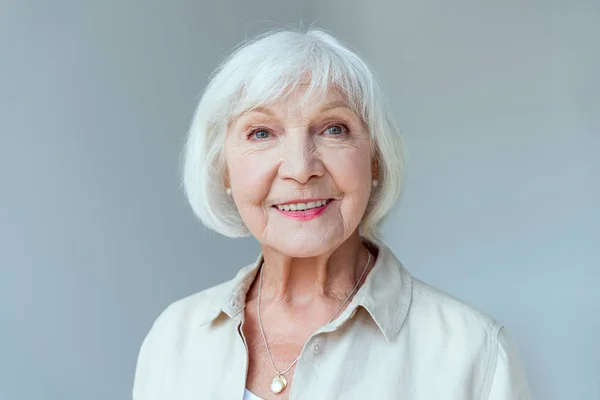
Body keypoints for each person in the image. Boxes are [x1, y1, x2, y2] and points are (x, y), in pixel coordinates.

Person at [132, 28, 531, 400]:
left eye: (333, 129)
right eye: (261, 133)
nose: (301, 168)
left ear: (374, 159)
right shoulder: (174, 337)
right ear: (223, 170)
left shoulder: (474, 352)